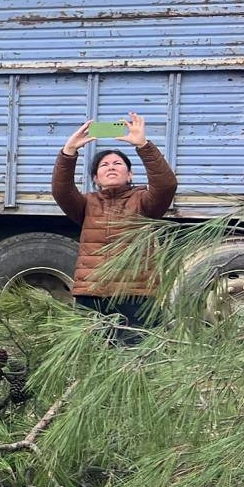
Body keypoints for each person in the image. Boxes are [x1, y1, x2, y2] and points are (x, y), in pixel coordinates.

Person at [53, 112, 178, 327]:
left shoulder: (144, 202)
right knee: (91, 354)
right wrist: (69, 151)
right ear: (95, 178)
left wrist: (143, 145)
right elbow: (61, 191)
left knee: (135, 355)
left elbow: (167, 185)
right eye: (104, 165)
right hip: (91, 294)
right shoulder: (85, 204)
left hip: (136, 294)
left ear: (129, 175)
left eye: (118, 163)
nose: (111, 166)